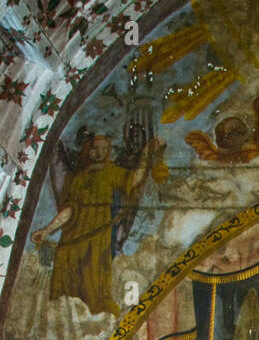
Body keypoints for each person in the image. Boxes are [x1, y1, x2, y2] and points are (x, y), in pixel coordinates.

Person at [31, 132, 166, 317]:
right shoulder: (77, 178)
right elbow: (69, 210)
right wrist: (46, 230)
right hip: (74, 234)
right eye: (95, 148)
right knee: (66, 272)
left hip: (98, 234)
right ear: (88, 149)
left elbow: (134, 178)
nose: (99, 152)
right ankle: (62, 317)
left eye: (104, 148)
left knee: (94, 273)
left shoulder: (112, 171)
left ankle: (94, 318)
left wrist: (145, 153)